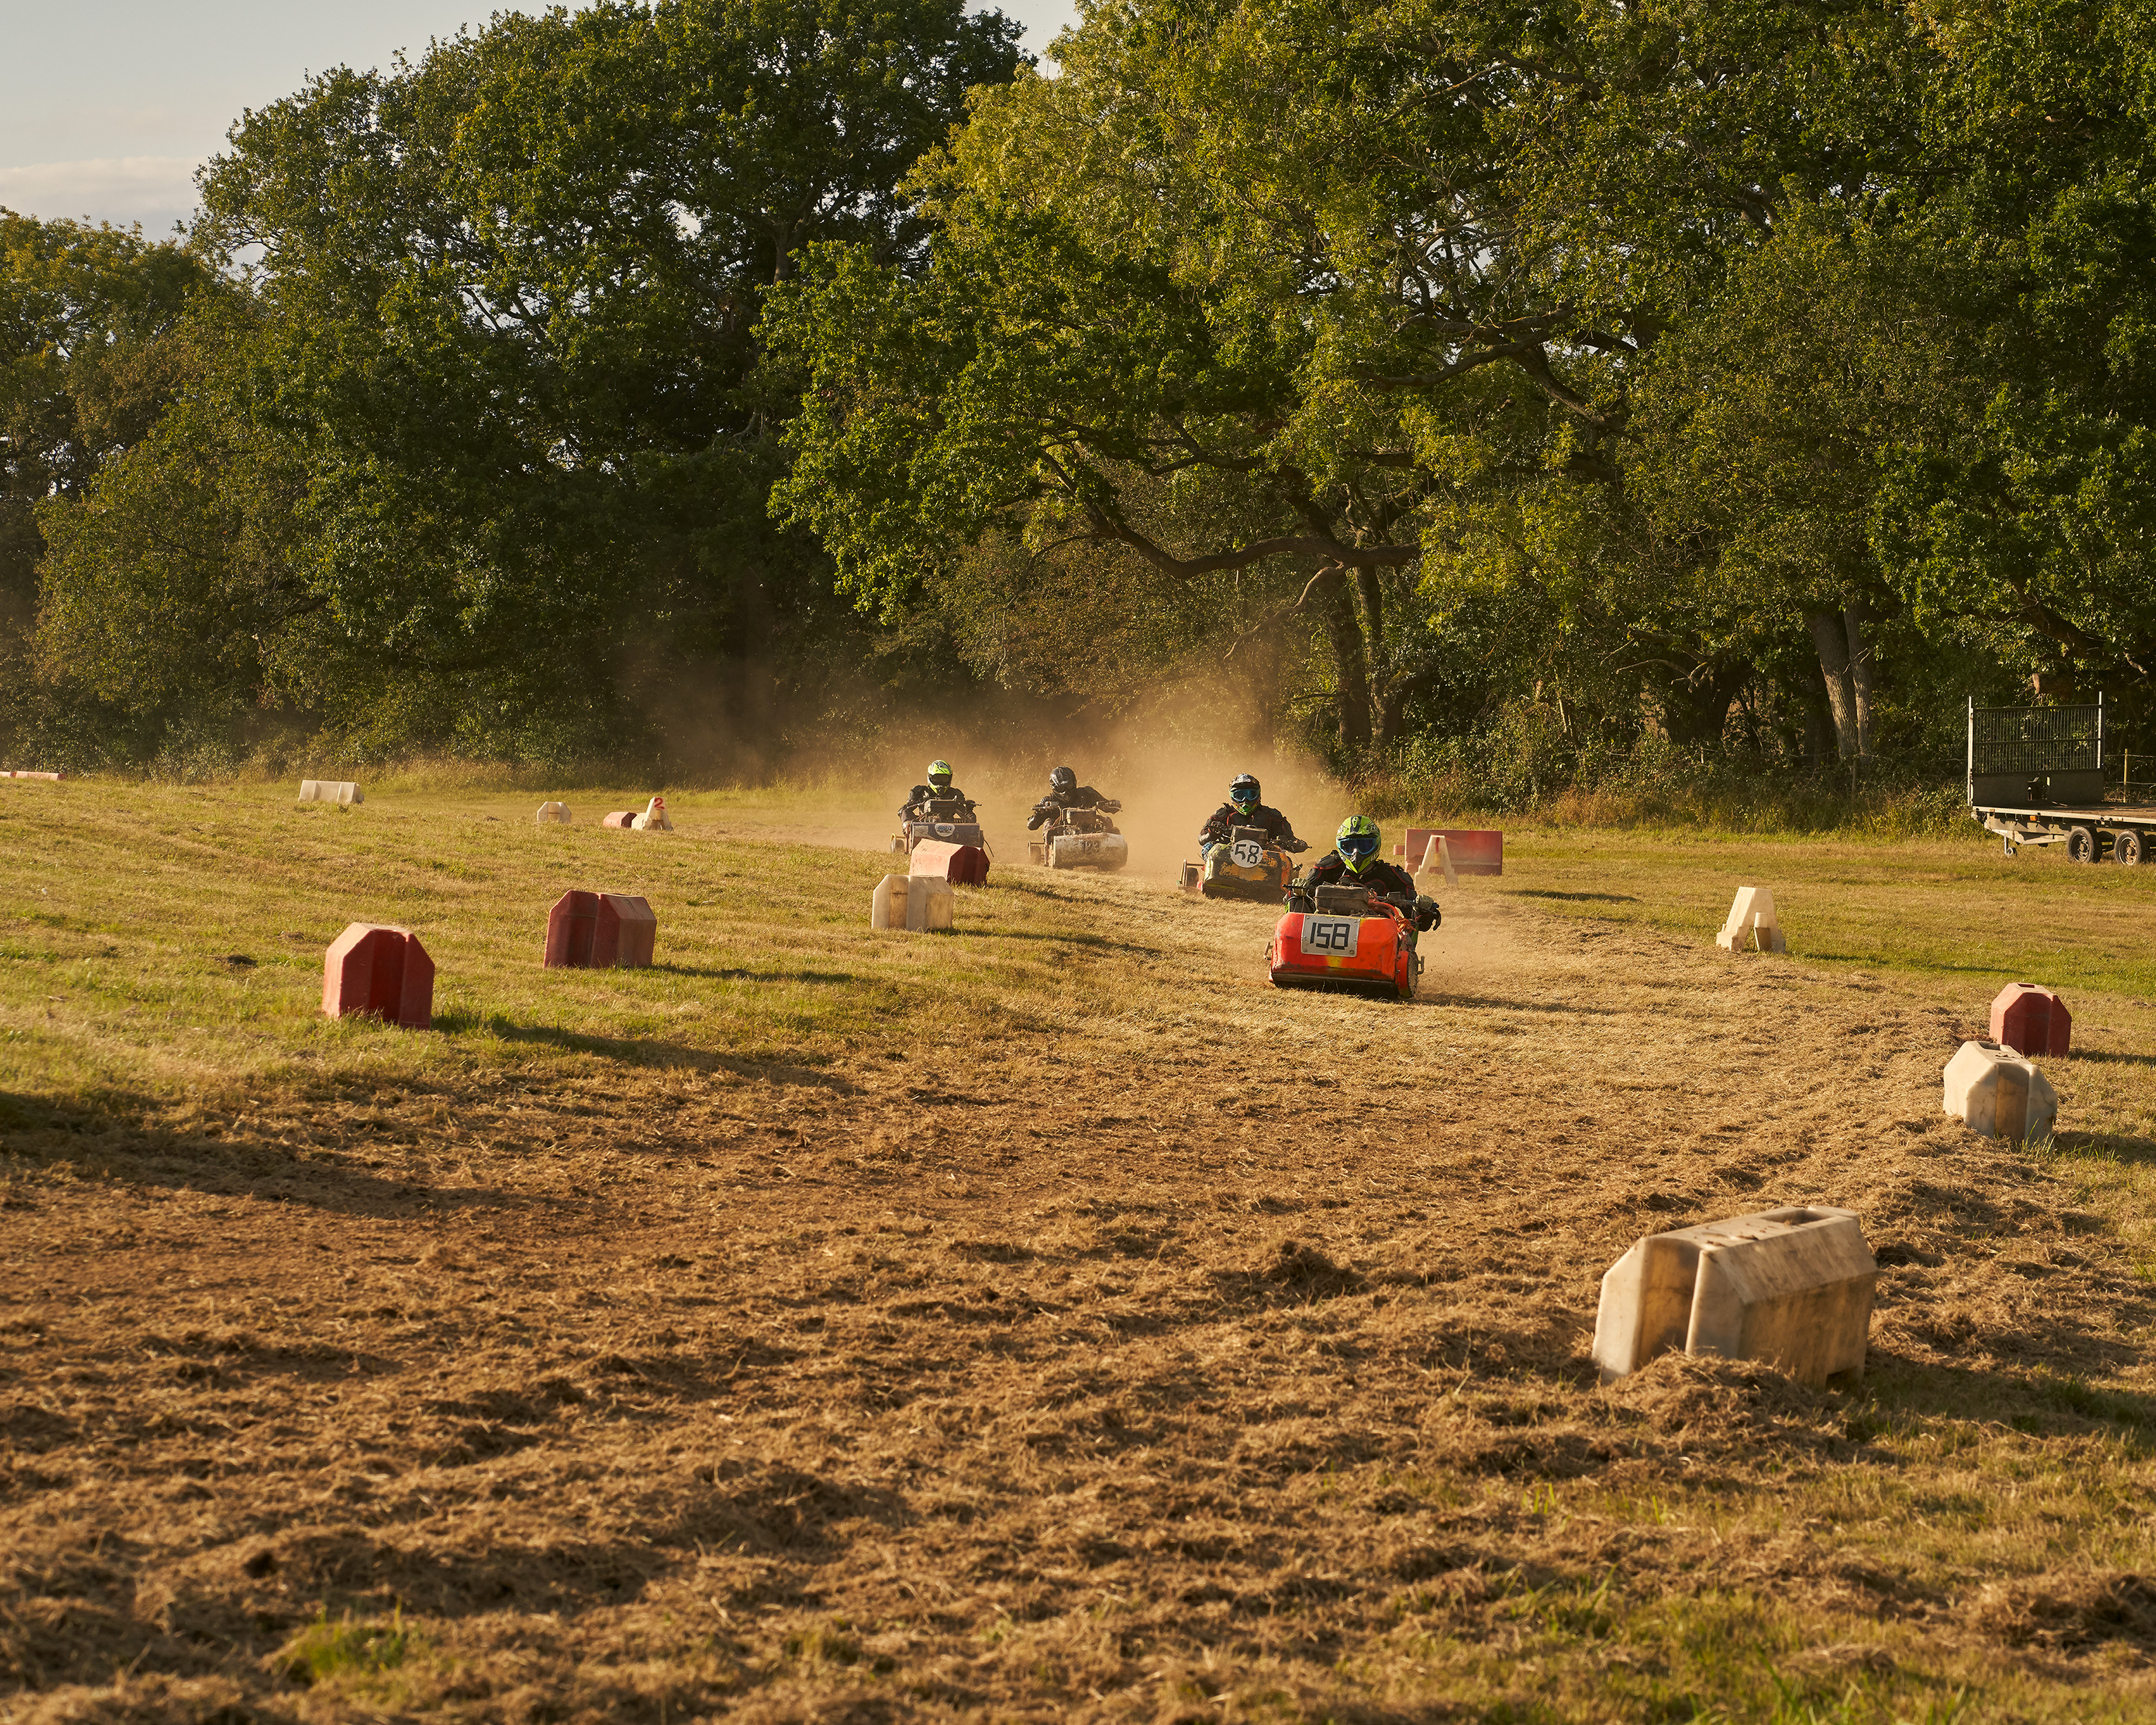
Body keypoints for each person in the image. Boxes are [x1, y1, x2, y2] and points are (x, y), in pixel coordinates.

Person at [1298, 815, 1440, 929]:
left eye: (1364, 846)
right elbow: (1294, 904)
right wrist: (1300, 889)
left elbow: (1418, 924)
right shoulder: (1326, 868)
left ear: (1375, 845)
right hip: (1325, 931)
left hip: (1379, 937)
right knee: (1295, 896)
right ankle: (1295, 943)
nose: (1357, 853)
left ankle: (1402, 960)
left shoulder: (1394, 877)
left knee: (1408, 930)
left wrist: (1423, 909)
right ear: (1340, 846)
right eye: (1349, 846)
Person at [1198, 773, 1306, 856]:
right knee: (1208, 847)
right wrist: (1211, 834)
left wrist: (1296, 844)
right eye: (1240, 795)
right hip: (1227, 857)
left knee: (1285, 859)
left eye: (1250, 794)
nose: (1245, 800)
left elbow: (1291, 840)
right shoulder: (1222, 816)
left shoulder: (1273, 816)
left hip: (1266, 858)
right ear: (1232, 797)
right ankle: (1211, 877)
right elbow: (1201, 839)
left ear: (1258, 794)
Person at [1027, 765, 1120, 830]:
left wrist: (1110, 805)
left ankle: (1113, 848)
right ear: (1054, 787)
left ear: (1074, 783)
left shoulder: (1086, 793)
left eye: (1069, 786)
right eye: (1061, 788)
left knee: (1106, 820)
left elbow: (1109, 806)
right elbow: (1031, 826)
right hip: (1060, 833)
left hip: (1088, 828)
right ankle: (1051, 850)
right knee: (1048, 824)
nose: (1066, 791)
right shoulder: (1048, 801)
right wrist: (1038, 814)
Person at [899, 760, 972, 822]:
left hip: (952, 831)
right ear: (930, 778)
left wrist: (969, 809)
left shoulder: (955, 793)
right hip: (923, 829)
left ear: (949, 779)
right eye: (937, 779)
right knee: (905, 812)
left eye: (944, 779)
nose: (940, 783)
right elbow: (903, 810)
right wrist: (909, 822)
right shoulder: (919, 791)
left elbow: (970, 820)